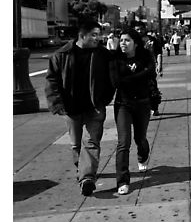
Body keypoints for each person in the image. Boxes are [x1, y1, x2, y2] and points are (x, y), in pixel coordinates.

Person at [45, 20, 115, 196]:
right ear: (82, 36)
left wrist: (106, 97)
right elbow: (52, 81)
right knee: (75, 145)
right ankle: (82, 167)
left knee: (92, 142)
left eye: (98, 35)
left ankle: (87, 178)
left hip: (94, 107)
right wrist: (57, 104)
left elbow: (111, 77)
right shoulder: (61, 55)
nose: (97, 38)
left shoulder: (102, 54)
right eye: (93, 35)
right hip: (71, 108)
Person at [109, 28, 156, 195]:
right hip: (123, 104)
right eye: (121, 40)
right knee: (123, 142)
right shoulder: (115, 59)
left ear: (135, 43)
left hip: (143, 103)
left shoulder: (145, 56)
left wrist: (129, 78)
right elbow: (116, 83)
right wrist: (139, 75)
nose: (123, 43)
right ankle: (122, 180)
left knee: (140, 137)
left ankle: (142, 156)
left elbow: (151, 74)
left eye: (127, 40)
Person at [134, 22, 162, 116]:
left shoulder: (151, 40)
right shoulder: (132, 40)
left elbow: (158, 52)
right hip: (136, 69)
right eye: (137, 29)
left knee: (152, 88)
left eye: (141, 29)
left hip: (150, 68)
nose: (139, 31)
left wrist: (159, 64)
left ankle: (154, 107)